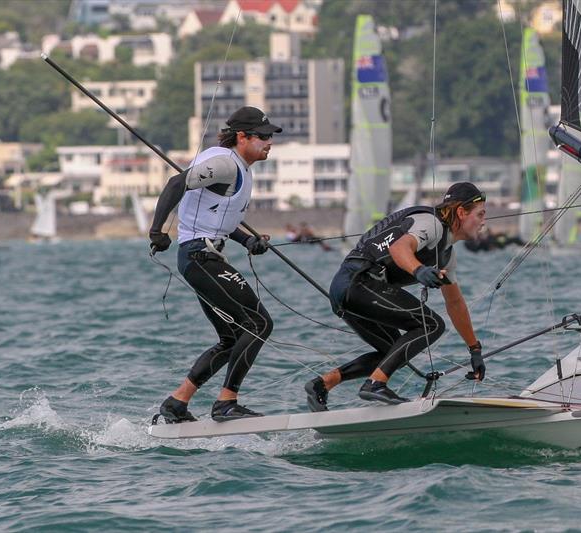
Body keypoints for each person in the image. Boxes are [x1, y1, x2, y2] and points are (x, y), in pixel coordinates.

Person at [149, 106, 281, 423]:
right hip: (199, 257)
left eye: (270, 136)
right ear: (242, 137)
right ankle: (226, 403)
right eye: (262, 136)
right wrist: (157, 231)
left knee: (232, 338)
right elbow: (174, 185)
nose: (268, 142)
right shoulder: (224, 163)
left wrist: (248, 241)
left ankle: (176, 403)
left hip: (204, 256)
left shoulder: (237, 167)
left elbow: (215, 217)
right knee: (259, 324)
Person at [304, 182, 487, 411]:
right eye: (480, 214)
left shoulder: (446, 256)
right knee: (431, 325)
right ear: (461, 212)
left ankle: (323, 384)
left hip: (349, 289)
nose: (483, 221)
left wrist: (475, 350)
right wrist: (419, 270)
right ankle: (375, 384)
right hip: (357, 283)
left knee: (394, 351)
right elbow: (399, 249)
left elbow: (455, 302)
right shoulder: (432, 224)